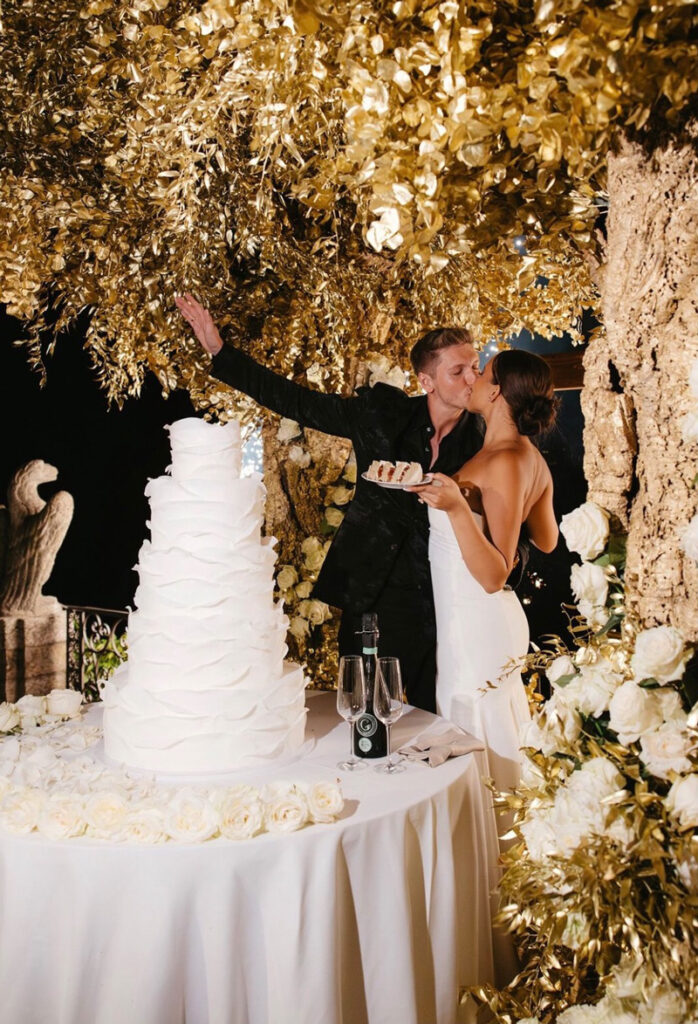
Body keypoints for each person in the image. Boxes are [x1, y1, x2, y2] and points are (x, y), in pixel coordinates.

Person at [175, 293, 485, 712]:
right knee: (366, 715)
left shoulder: (484, 439)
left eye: (476, 367)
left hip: (445, 599)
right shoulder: (382, 415)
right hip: (369, 596)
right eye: (459, 371)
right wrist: (220, 351)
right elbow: (297, 402)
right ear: (426, 381)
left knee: (442, 718)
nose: (473, 378)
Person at [408, 349, 559, 792]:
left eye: (483, 371)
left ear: (496, 391)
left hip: (475, 622)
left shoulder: (504, 459)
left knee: (476, 730)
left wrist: (457, 508)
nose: (473, 377)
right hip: (479, 622)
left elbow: (495, 575)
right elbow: (547, 539)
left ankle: (490, 850)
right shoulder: (526, 456)